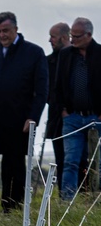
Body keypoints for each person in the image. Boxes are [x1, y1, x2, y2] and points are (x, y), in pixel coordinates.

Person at [0, 12, 48, 219]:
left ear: (16, 29)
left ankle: (12, 211)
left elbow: (41, 90)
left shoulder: (33, 52)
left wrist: (33, 116)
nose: (2, 35)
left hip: (18, 120)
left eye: (6, 30)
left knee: (13, 166)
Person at [54, 18, 101, 200]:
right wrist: (63, 111)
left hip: (96, 117)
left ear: (89, 35)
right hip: (72, 117)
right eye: (71, 36)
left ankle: (96, 200)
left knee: (98, 163)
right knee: (70, 162)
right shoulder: (66, 54)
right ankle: (67, 203)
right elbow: (58, 85)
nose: (73, 40)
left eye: (77, 36)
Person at [46, 22, 72, 186]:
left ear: (63, 37)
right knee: (61, 159)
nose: (50, 40)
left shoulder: (78, 58)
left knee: (79, 159)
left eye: (53, 37)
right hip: (57, 119)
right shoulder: (48, 61)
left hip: (77, 117)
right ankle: (64, 196)